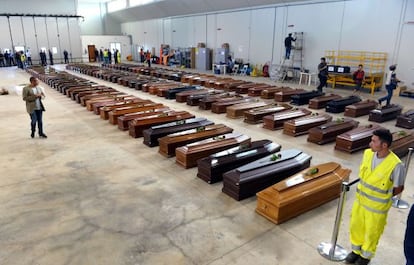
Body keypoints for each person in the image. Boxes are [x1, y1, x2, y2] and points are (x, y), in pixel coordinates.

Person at [345, 129, 405, 265]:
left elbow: (399, 188)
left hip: (376, 208)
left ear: (384, 145)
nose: (370, 143)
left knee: (372, 233)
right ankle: (355, 251)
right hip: (360, 202)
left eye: (373, 141)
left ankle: (365, 257)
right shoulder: (367, 154)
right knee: (356, 227)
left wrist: (382, 196)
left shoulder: (396, 165)